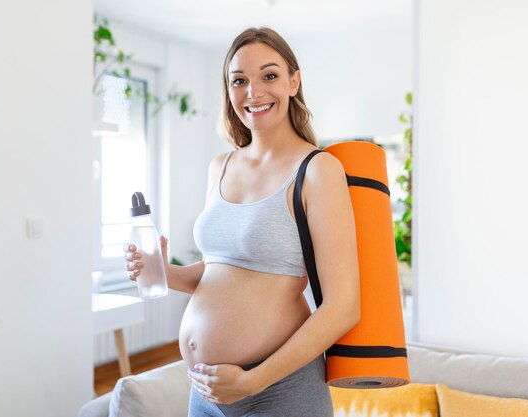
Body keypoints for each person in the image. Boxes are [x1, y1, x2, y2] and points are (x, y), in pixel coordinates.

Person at [124, 26, 360, 417]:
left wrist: (254, 380)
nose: (254, 92)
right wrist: (164, 272)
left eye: (269, 75)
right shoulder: (221, 166)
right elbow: (222, 271)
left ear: (293, 81)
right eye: (239, 80)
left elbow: (342, 307)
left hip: (279, 391)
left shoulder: (317, 170)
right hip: (204, 393)